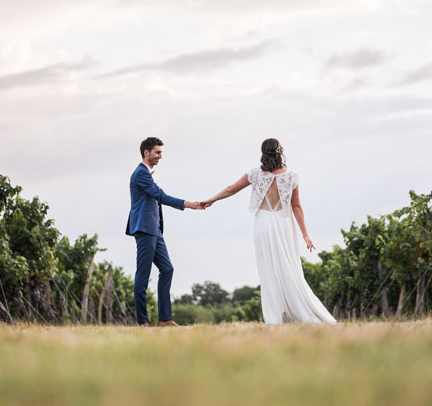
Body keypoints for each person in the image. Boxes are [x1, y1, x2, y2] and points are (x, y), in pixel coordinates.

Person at [202, 138, 336, 324]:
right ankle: (298, 310)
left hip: (263, 224)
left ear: (263, 152)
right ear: (281, 152)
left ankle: (275, 315)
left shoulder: (255, 174)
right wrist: (305, 235)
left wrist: (211, 200)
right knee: (289, 266)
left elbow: (231, 189)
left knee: (268, 270)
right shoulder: (291, 176)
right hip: (283, 224)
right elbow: (296, 206)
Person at [126, 136, 206, 327]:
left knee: (167, 269)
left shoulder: (146, 173)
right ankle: (143, 322)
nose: (160, 156)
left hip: (155, 230)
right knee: (143, 275)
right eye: (157, 152)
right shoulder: (141, 173)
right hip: (145, 229)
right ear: (146, 152)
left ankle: (164, 319)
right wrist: (190, 204)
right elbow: (160, 196)